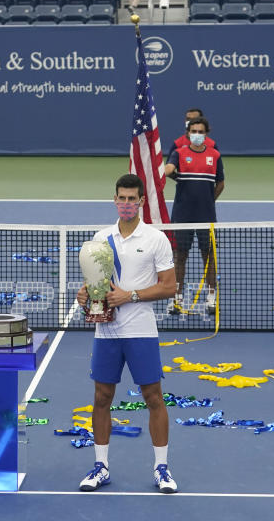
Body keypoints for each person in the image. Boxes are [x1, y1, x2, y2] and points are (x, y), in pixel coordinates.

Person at [76, 173, 177, 494]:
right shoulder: (100, 238)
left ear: (142, 201)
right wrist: (84, 296)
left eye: (132, 199)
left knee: (153, 398)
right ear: (115, 200)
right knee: (101, 398)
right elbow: (94, 284)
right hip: (106, 332)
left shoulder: (156, 239)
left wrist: (129, 296)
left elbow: (169, 286)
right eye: (122, 198)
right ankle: (100, 466)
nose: (127, 204)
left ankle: (162, 468)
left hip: (141, 331)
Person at [163, 117, 224, 315]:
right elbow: (169, 169)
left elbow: (221, 183)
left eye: (201, 131)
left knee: (209, 256)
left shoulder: (214, 155)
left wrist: (208, 201)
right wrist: (168, 170)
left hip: (206, 216)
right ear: (188, 133)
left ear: (206, 134)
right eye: (194, 131)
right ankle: (176, 298)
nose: (197, 135)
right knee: (180, 256)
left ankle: (211, 298)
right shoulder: (179, 153)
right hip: (182, 215)